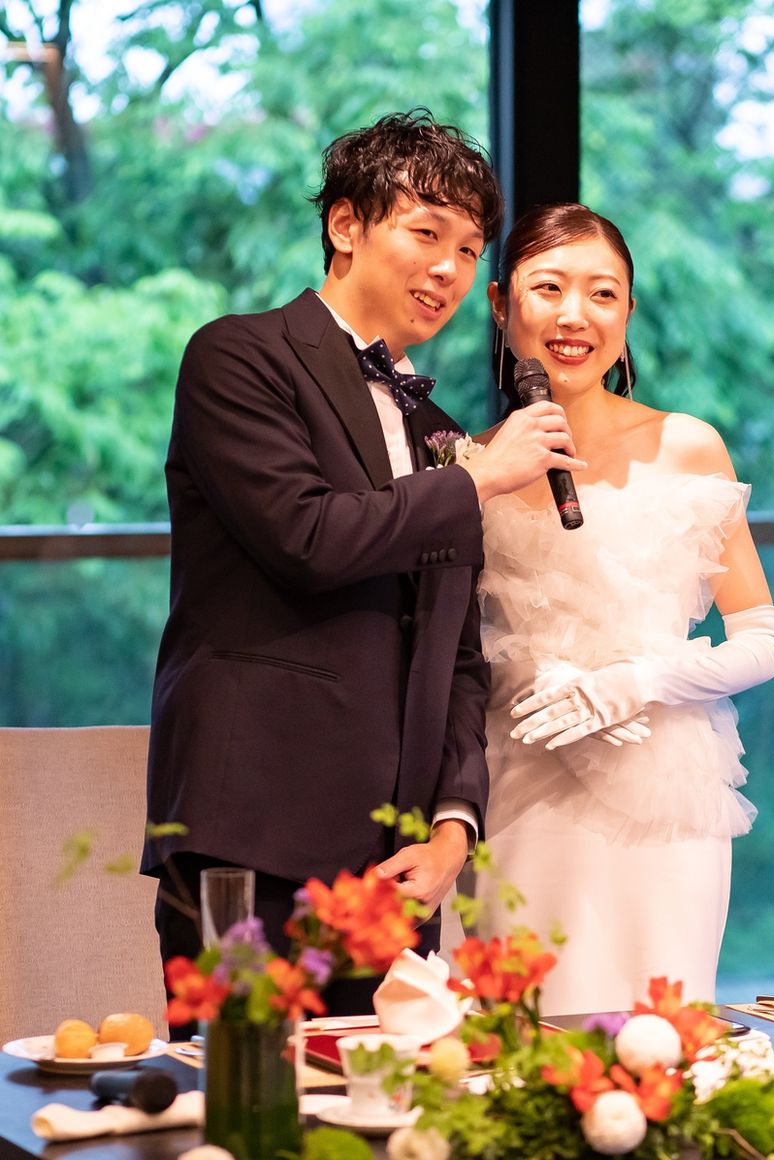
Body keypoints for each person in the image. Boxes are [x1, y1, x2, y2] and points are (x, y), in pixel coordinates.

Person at [140, 110, 584, 1021]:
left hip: (397, 857)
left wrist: (454, 820)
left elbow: (459, 652)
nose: (449, 269)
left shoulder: (438, 431)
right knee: (249, 1089)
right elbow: (306, 537)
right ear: (346, 225)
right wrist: (478, 479)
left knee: (389, 1091)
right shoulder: (240, 355)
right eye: (427, 233)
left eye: (469, 250)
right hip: (253, 826)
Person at [472, 203, 774, 1015]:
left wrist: (638, 681)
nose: (575, 315)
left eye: (602, 294)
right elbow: (453, 655)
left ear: (628, 314)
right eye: (549, 288)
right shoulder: (469, 468)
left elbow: (762, 641)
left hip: (664, 794)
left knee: (661, 1034)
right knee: (528, 1040)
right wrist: (536, 676)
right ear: (502, 304)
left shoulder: (689, 445)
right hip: (523, 789)